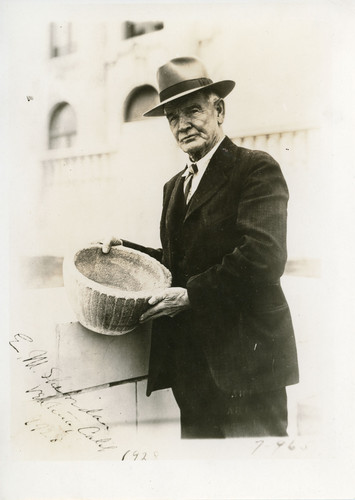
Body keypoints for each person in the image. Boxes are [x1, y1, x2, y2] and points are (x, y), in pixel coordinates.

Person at [100, 56, 299, 439]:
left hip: (249, 369)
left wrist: (191, 296)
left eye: (192, 110)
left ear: (218, 109)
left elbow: (264, 257)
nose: (182, 124)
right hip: (190, 371)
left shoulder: (255, 168)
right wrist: (125, 250)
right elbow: (178, 264)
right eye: (173, 117)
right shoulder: (174, 187)